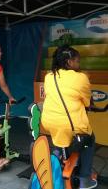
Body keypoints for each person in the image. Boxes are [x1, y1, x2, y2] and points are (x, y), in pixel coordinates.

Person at [41, 45, 97, 189]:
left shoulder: (49, 76)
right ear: (69, 62)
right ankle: (85, 178)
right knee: (89, 139)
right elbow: (86, 102)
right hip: (70, 124)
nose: (79, 64)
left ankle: (57, 160)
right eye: (77, 61)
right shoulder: (81, 77)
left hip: (49, 121)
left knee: (61, 140)